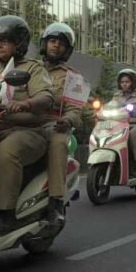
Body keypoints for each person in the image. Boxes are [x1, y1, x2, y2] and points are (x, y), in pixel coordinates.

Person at [0, 15, 54, 236]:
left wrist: (26, 104)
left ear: (19, 43)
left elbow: (46, 98)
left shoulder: (32, 68)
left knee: (6, 153)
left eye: (6, 40)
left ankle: (5, 214)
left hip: (27, 131)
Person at [38, 23, 82, 231]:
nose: (56, 46)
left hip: (53, 124)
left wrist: (67, 120)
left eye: (61, 44)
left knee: (58, 144)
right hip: (21, 123)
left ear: (67, 50)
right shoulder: (30, 67)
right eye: (52, 41)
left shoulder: (73, 77)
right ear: (44, 44)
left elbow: (76, 107)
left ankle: (55, 201)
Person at [113, 68, 136, 176]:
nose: (124, 84)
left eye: (127, 82)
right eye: (122, 82)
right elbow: (110, 105)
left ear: (132, 83)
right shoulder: (116, 96)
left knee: (132, 134)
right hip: (118, 124)